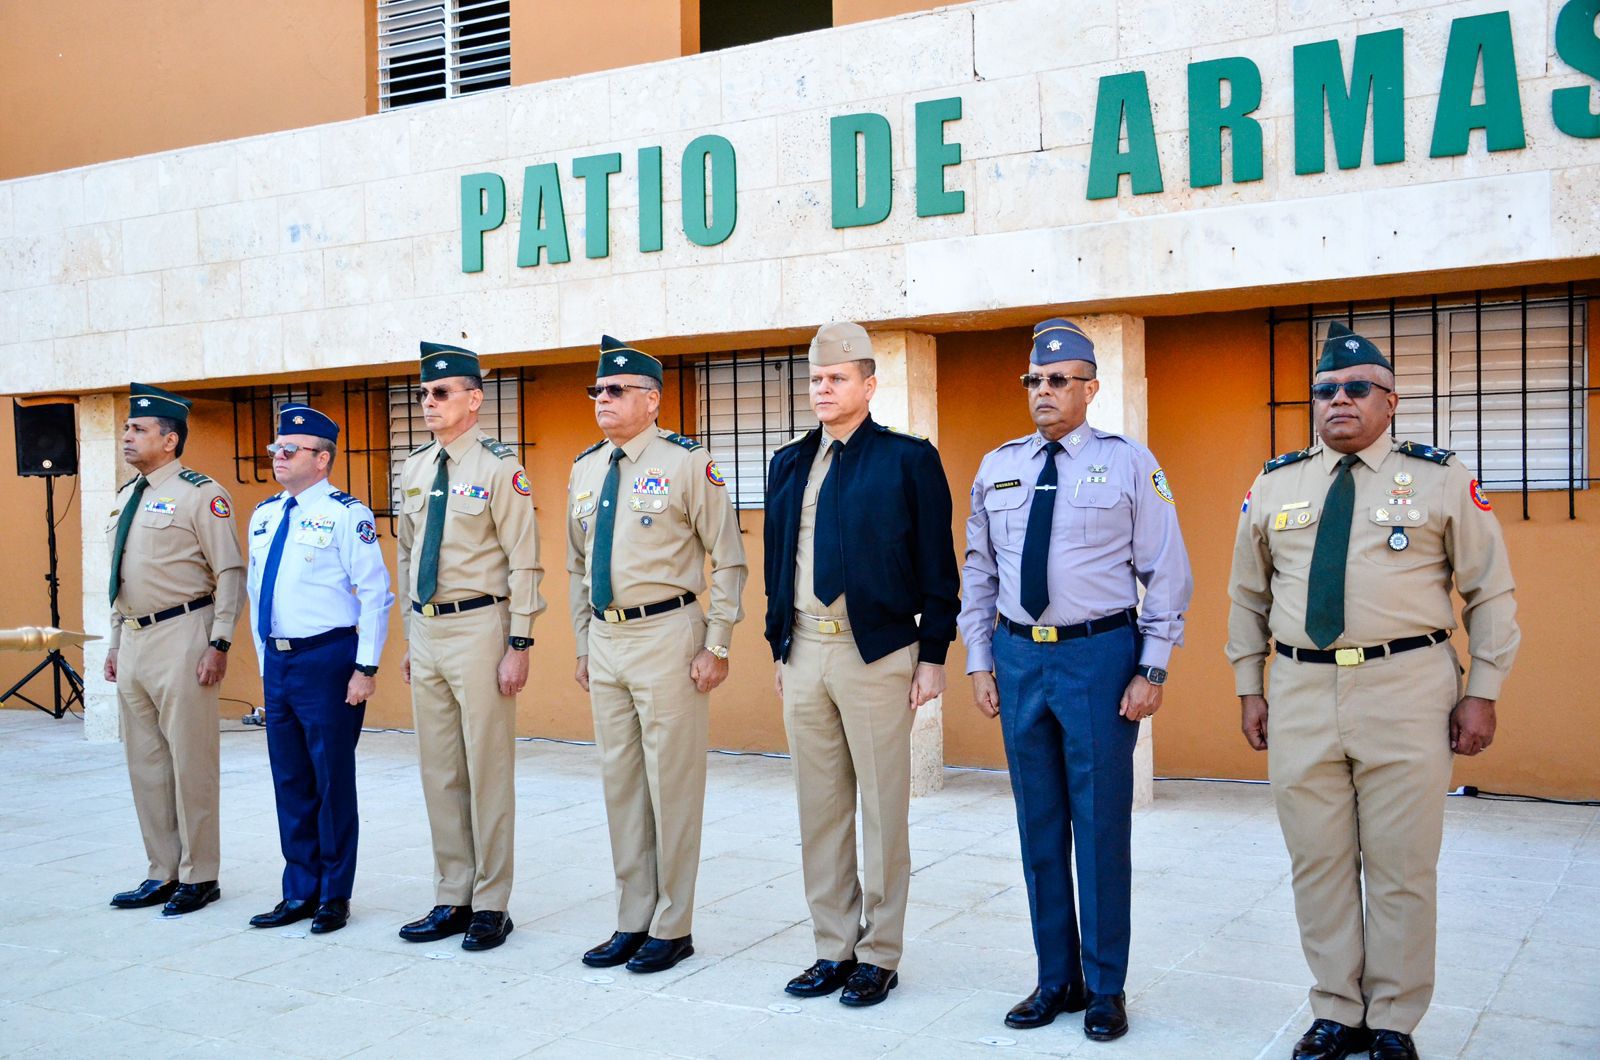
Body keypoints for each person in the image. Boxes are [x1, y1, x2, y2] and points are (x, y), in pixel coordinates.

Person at [1226, 322, 1520, 1060]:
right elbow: (1246, 596)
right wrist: (1247, 685)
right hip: (1298, 689)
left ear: (1391, 401)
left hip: (1407, 686)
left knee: (1401, 865)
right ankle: (1335, 1010)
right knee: (1318, 863)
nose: (1339, 401)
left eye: (1358, 389)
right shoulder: (1275, 483)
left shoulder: (1441, 477)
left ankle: (1392, 1021)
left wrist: (1482, 688)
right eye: (1325, 391)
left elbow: (1490, 592)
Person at [959, 318, 1192, 1043]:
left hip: (1098, 659)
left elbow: (1168, 573)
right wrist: (979, 657)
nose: (1044, 391)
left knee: (1098, 827)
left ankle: (1106, 986)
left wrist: (1152, 665)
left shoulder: (1129, 464)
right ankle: (1055, 977)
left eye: (1060, 379)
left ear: (1091, 387)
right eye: (1034, 379)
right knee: (1037, 827)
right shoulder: (998, 465)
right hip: (1020, 657)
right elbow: (978, 571)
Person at [763, 322, 959, 1007]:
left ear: (868, 386)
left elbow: (939, 565)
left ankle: (879, 952)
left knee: (882, 809)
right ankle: (832, 948)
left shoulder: (908, 460)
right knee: (819, 810)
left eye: (837, 378)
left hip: (875, 653)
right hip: (806, 648)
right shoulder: (788, 462)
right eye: (816, 378)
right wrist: (779, 644)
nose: (823, 388)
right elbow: (777, 561)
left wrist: (932, 656)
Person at [567, 335, 748, 974]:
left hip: (669, 635)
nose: (603, 401)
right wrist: (584, 641)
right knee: (621, 785)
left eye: (616, 391)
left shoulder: (686, 464)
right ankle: (631, 919)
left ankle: (674, 925)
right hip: (608, 639)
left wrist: (717, 641)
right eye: (598, 391)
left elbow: (727, 558)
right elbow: (575, 565)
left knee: (672, 786)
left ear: (651, 399)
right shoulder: (586, 468)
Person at [395, 341, 544, 952]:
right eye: (425, 393)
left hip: (481, 626)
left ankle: (491, 902)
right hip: (428, 630)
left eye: (442, 393)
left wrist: (520, 642)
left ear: (474, 400)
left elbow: (525, 561)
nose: (429, 403)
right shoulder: (414, 467)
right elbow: (407, 552)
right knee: (439, 770)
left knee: (486, 769)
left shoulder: (498, 468)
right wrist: (410, 633)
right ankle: (451, 894)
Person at [245, 404, 392, 934]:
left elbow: (375, 593)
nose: (278, 457)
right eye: (275, 450)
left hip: (328, 659)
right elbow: (255, 591)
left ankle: (334, 894)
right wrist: (266, 663)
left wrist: (365, 666)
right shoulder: (264, 514)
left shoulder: (346, 513)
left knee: (331, 780)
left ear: (322, 458)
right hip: (279, 663)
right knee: (289, 780)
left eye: (290, 450)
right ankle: (298, 891)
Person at [105, 383, 243, 917]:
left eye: (138, 430)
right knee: (146, 763)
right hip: (136, 637)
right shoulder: (126, 495)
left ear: (170, 439)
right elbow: (122, 575)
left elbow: (229, 569)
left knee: (191, 762)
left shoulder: (199, 493)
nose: (127, 436)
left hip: (184, 634)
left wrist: (220, 641)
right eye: (125, 428)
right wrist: (117, 642)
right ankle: (160, 870)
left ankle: (200, 874)